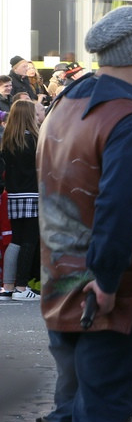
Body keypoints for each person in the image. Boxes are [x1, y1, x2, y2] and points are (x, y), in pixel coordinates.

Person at [35, 5, 132, 422]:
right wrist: (109, 281)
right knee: (104, 412)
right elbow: (117, 207)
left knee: (70, 405)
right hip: (112, 295)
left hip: (63, 284)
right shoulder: (128, 120)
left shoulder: (65, 104)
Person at [0, 101, 41, 302]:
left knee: (16, 239)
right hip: (32, 193)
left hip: (14, 193)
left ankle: (7, 286)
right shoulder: (34, 139)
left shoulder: (8, 139)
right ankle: (22, 286)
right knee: (29, 240)